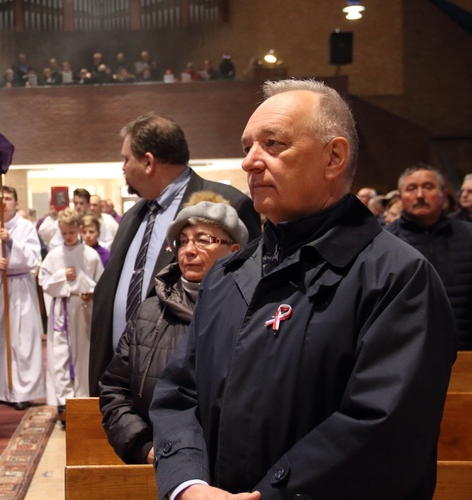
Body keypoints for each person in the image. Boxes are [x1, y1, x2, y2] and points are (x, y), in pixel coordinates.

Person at [150, 79, 456, 499]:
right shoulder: (227, 275)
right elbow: (179, 392)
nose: (250, 163)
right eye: (247, 147)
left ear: (333, 157)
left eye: (272, 144)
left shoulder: (399, 278)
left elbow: (384, 429)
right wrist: (189, 484)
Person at [88, 112, 261, 396]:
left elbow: (248, 296)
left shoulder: (228, 204)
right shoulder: (133, 215)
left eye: (125, 159)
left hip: (185, 384)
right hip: (122, 374)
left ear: (148, 161)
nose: (123, 168)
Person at [99, 192, 247, 465]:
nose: (189, 250)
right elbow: (114, 389)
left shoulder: (254, 312)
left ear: (234, 250)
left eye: (203, 240)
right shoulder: (148, 313)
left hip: (234, 469)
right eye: (183, 241)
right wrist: (144, 446)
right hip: (162, 464)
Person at [0, 186, 45, 410]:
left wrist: (12, 242)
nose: (4, 203)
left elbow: (34, 257)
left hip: (20, 287)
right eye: (0, 199)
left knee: (22, 340)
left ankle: (22, 392)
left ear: (16, 202)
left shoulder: (26, 227)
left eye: (9, 199)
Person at [386, 164, 472, 350]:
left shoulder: (469, 236)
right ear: (400, 198)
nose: (420, 195)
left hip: (464, 351)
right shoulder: (383, 243)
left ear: (444, 194)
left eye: (428, 187)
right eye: (411, 188)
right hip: (407, 354)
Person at [38, 208, 104, 422]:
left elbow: (100, 282)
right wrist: (60, 276)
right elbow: (44, 280)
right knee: (61, 356)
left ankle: (82, 399)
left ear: (79, 230)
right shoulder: (55, 255)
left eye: (72, 233)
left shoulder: (90, 255)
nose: (68, 237)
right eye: (64, 233)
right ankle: (64, 403)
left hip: (83, 308)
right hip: (62, 308)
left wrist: (90, 292)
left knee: (82, 354)